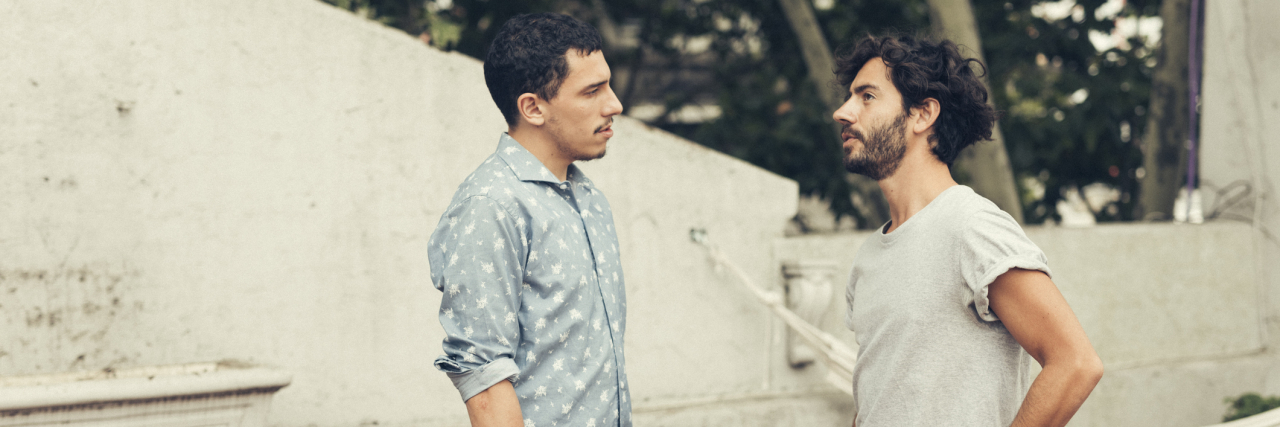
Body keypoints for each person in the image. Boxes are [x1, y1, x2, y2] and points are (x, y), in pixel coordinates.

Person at [833, 34, 1104, 427]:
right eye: (850, 97)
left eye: (867, 96)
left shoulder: (971, 226)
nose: (843, 112)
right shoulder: (869, 257)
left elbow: (1076, 364)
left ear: (923, 115)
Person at [427, 13, 629, 427]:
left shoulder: (587, 195)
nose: (615, 105)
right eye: (592, 91)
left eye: (607, 84)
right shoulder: (491, 204)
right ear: (533, 107)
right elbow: (481, 371)